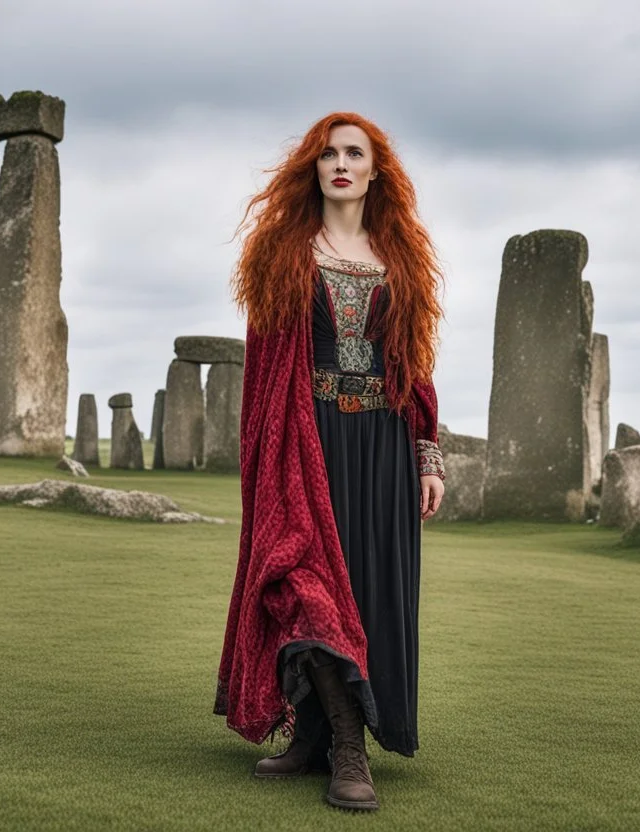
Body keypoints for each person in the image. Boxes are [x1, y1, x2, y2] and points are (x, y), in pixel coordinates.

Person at [214, 112, 445, 812]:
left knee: (364, 594)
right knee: (303, 580)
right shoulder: (284, 252)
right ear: (312, 169)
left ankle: (315, 736)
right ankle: (347, 747)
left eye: (355, 153)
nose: (340, 163)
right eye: (327, 154)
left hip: (381, 445)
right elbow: (267, 367)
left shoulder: (399, 256)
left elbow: (415, 364)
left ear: (377, 172)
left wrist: (427, 454)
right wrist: (264, 456)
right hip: (304, 439)